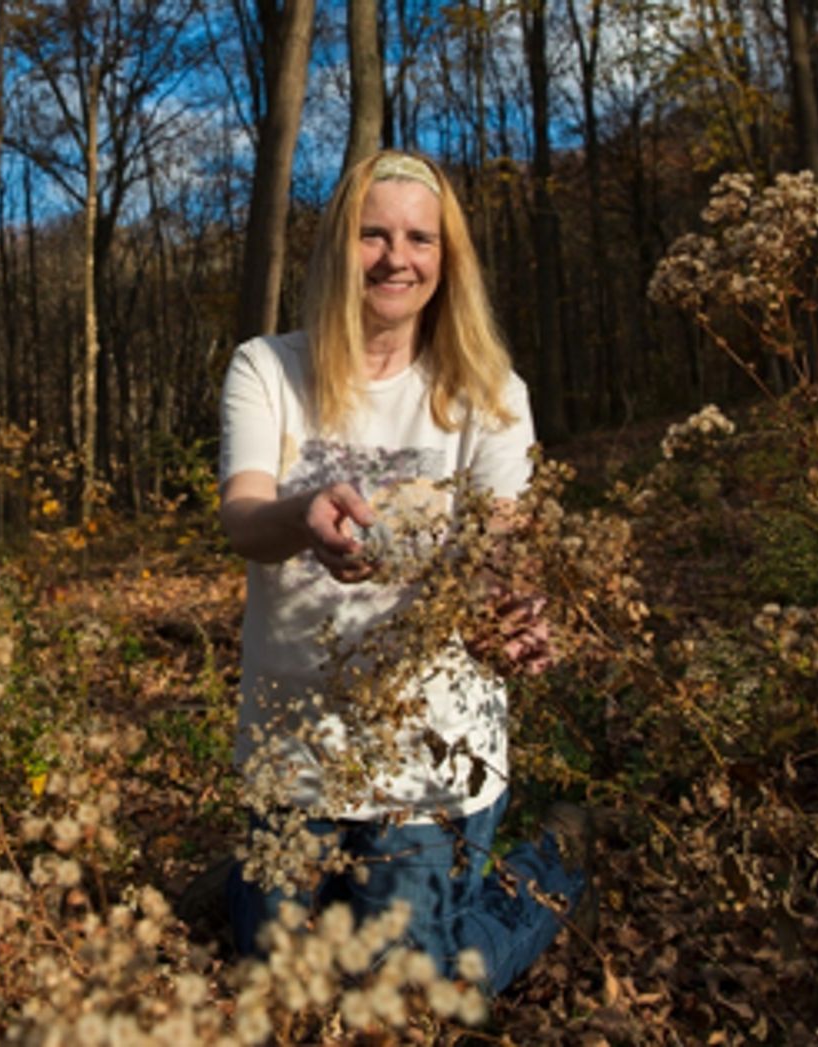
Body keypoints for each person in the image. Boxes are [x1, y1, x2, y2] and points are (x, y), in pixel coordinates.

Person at [218, 150, 589, 995]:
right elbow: (243, 517)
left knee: (409, 998)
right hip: (293, 755)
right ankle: (260, 883)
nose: (396, 258)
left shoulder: (488, 390)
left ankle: (559, 860)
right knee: (279, 986)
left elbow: (503, 547)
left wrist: (513, 617)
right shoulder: (267, 368)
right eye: (372, 234)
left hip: (427, 767)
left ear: (445, 258)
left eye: (420, 239)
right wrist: (301, 515)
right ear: (336, 249)